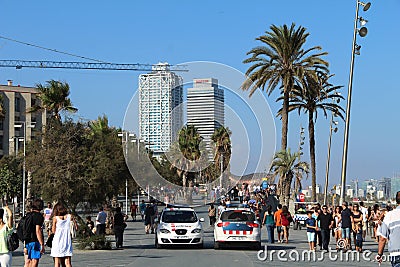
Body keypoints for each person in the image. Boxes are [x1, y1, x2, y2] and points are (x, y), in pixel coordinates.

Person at [377, 191, 400, 267]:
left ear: (396, 201)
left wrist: (380, 254)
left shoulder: (389, 215)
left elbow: (383, 238)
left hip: (396, 254)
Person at [50, 202, 73, 267]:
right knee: (68, 262)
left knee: (57, 263)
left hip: (57, 241)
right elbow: (75, 228)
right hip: (67, 241)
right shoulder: (70, 216)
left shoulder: (55, 218)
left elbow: (53, 231)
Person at [24, 199, 45, 267]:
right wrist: (42, 244)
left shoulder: (28, 215)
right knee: (35, 261)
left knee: (28, 261)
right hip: (35, 241)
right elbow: (38, 230)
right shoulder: (39, 216)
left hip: (27, 241)